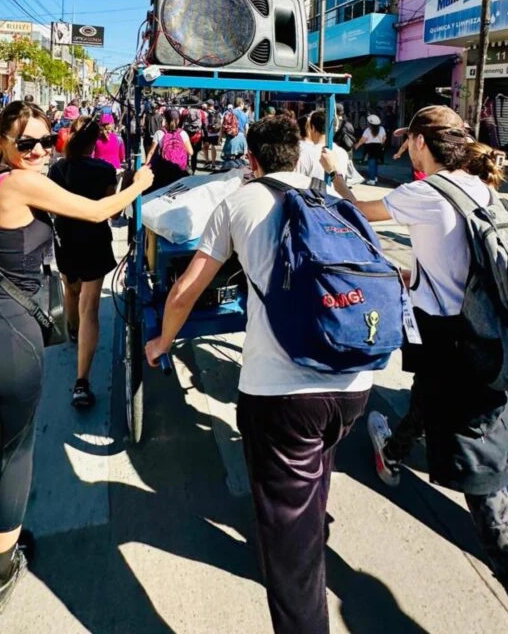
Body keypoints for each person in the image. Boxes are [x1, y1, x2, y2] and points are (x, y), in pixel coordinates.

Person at [145, 116, 370, 634]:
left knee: (291, 565)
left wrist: (163, 341)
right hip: (355, 383)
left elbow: (185, 291)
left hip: (284, 396)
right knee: (315, 475)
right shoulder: (332, 202)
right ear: (297, 156)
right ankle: (306, 531)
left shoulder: (239, 201)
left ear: (252, 160)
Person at [0, 102, 152, 622]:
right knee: (16, 455)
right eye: (26, 142)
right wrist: (139, 182)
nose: (37, 150)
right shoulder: (21, 182)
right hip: (6, 341)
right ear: (4, 141)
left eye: (44, 140)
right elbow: (99, 211)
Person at [321, 105, 508, 608]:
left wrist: (335, 174)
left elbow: (360, 210)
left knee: (480, 465)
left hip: (455, 343)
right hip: (489, 333)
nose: (406, 145)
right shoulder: (479, 184)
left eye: (410, 139)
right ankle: (392, 451)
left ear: (423, 144)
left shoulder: (424, 192)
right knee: (429, 398)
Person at [49, 118, 117, 407]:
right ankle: (82, 382)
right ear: (96, 142)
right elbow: (110, 210)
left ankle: (73, 333)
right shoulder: (105, 170)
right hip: (95, 240)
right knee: (90, 305)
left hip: (65, 239)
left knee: (71, 290)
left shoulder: (58, 169)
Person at [145, 107, 193, 191]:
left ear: (165, 119)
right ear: (178, 120)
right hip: (180, 170)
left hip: (164, 169)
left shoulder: (159, 133)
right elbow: (191, 152)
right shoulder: (183, 133)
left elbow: (151, 152)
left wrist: (146, 166)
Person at [355, 113, 386, 185]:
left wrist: (357, 146)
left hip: (370, 147)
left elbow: (363, 140)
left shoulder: (368, 130)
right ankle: (375, 177)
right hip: (379, 146)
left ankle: (372, 180)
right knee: (376, 163)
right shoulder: (382, 129)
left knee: (371, 163)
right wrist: (382, 144)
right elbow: (384, 138)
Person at [203, 99, 222, 170]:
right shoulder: (218, 113)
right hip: (216, 132)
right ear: (213, 105)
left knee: (205, 147)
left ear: (207, 105)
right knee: (213, 147)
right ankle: (213, 164)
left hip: (207, 132)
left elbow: (204, 123)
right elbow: (221, 123)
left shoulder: (205, 113)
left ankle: (207, 162)